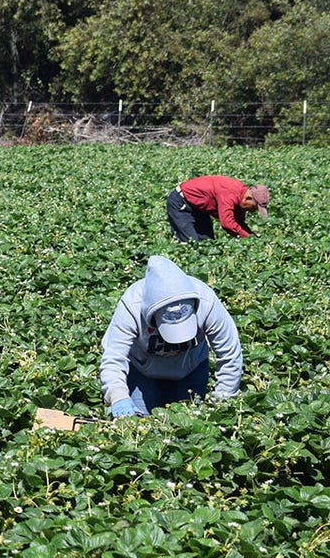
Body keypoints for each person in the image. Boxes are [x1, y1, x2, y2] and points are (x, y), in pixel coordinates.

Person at [100, 255, 242, 417]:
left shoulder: (206, 302)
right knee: (139, 426)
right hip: (141, 372)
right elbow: (113, 357)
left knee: (190, 425)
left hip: (191, 369)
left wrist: (221, 404)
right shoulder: (132, 306)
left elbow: (230, 353)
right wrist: (118, 396)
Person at [167, 175, 270, 242]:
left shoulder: (241, 196)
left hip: (199, 208)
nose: (253, 211)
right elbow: (227, 223)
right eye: (254, 207)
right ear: (248, 198)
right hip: (181, 201)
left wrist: (252, 236)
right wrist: (247, 238)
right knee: (190, 242)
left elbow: (238, 222)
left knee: (207, 242)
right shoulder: (229, 193)